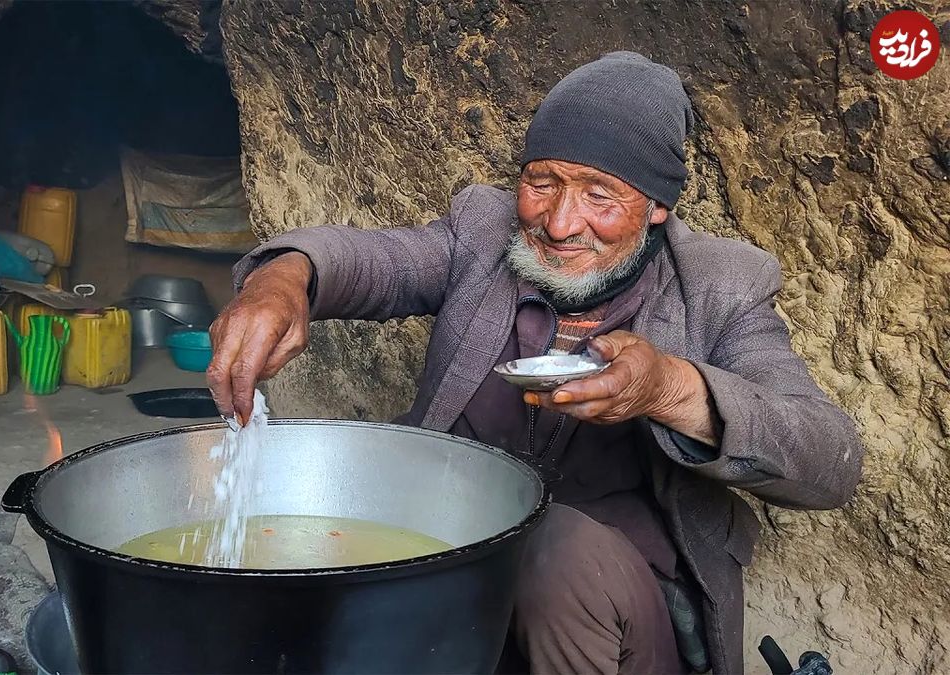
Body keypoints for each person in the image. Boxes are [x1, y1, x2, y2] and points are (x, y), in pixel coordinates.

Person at [206, 51, 863, 675]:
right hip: (458, 587)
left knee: (553, 546)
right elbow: (380, 261)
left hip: (604, 618)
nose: (557, 221)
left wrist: (670, 390)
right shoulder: (484, 232)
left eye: (600, 196)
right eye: (540, 182)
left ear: (658, 208)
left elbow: (828, 458)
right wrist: (284, 279)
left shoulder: (722, 287)